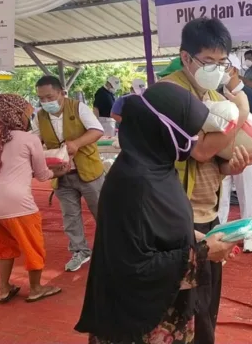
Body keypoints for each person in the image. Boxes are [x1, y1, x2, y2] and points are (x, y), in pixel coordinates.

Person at [74, 82, 240, 344]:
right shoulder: (135, 184)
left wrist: (197, 236)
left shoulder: (157, 166)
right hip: (140, 325)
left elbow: (157, 227)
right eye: (190, 131)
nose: (195, 138)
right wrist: (202, 253)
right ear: (162, 129)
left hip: (164, 312)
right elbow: (132, 269)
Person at [160, 17, 252, 344]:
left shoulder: (218, 100)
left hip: (208, 214)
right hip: (176, 217)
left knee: (206, 304)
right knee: (184, 309)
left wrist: (235, 164)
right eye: (208, 61)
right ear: (185, 57)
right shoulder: (169, 93)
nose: (216, 69)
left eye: (222, 62)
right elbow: (200, 152)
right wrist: (242, 110)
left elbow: (217, 161)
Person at [0, 94, 67, 303]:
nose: (30, 115)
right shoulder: (29, 139)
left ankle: (4, 288)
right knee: (33, 245)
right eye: (27, 112)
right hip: (16, 201)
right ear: (18, 113)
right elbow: (43, 174)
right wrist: (61, 171)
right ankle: (36, 288)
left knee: (4, 247)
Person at [32, 75, 105, 272]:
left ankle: (112, 248)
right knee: (70, 216)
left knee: (103, 212)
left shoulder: (78, 107)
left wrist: (76, 144)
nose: (46, 102)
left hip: (89, 171)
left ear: (62, 93)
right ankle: (80, 251)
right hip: (61, 174)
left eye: (50, 97)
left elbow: (97, 130)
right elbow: (35, 140)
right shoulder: (40, 116)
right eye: (42, 98)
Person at [218, 80, 252, 253]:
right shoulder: (214, 93)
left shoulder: (251, 96)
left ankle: (248, 236)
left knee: (246, 193)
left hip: (245, 151)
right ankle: (220, 234)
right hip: (220, 152)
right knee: (221, 195)